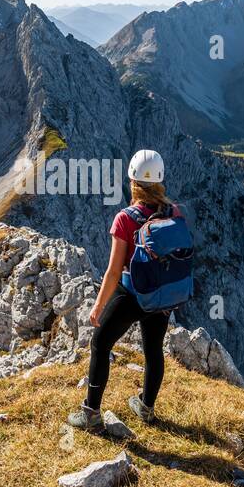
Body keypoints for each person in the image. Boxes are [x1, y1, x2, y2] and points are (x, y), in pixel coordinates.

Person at [67, 149, 182, 430]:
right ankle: (146, 407)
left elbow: (114, 271)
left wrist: (98, 306)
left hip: (132, 294)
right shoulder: (173, 212)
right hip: (162, 294)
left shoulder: (125, 218)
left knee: (100, 343)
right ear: (160, 180)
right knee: (153, 349)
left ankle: (91, 414)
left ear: (132, 180)